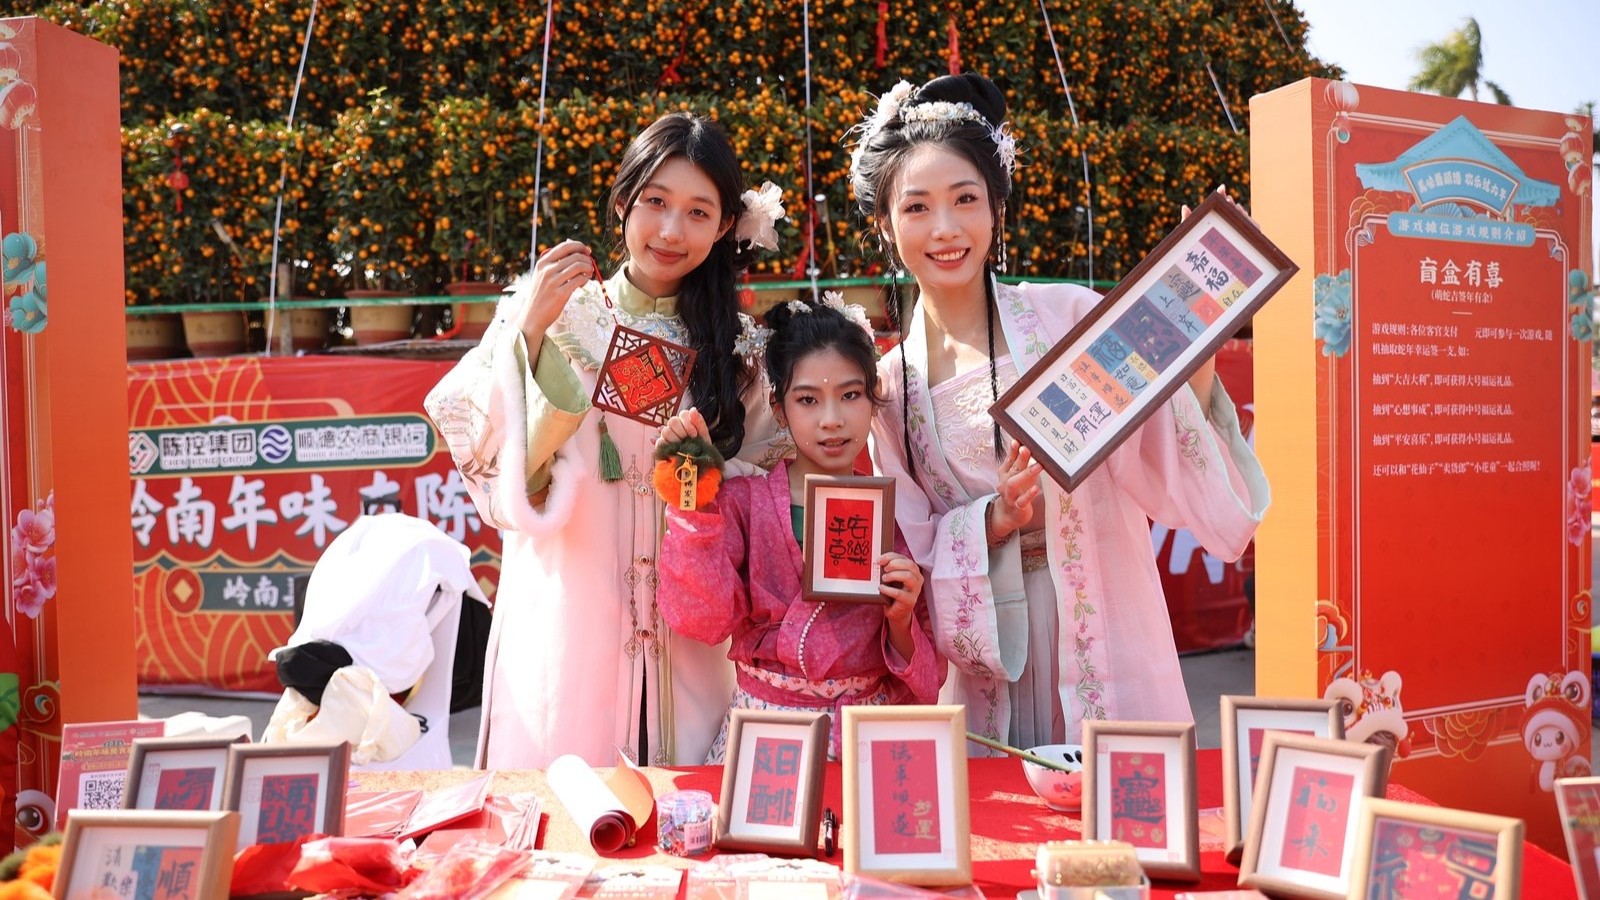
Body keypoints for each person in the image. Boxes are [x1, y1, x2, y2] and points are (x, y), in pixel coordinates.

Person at [852, 73, 1270, 752]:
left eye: (966, 200)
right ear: (884, 222)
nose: (946, 228)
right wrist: (994, 519)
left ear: (997, 210)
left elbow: (1164, 448)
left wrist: (1199, 345)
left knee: (1123, 826)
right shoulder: (889, 385)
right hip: (987, 634)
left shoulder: (1071, 315)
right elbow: (908, 536)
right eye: (918, 208)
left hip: (1106, 604)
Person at [424, 112, 791, 769]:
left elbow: (766, 506)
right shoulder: (553, 312)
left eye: (698, 211)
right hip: (569, 631)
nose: (672, 230)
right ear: (623, 201)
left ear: (727, 225)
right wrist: (530, 337)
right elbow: (489, 464)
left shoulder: (741, 354)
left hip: (691, 648)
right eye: (655, 202)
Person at [655, 295, 942, 760]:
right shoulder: (744, 504)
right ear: (780, 408)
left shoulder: (896, 510)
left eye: (850, 395)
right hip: (766, 734)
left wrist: (901, 619)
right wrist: (694, 498)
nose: (832, 420)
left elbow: (928, 681)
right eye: (808, 400)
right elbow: (701, 621)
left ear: (873, 399)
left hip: (861, 738)